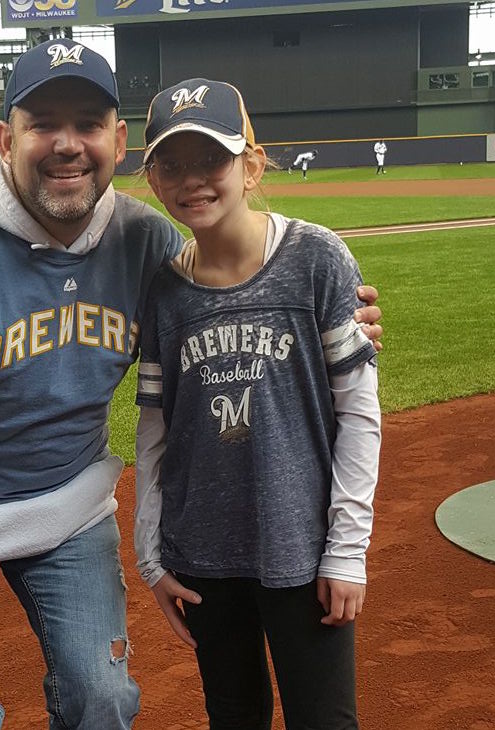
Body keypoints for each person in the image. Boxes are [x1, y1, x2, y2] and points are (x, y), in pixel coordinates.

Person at [0, 42, 384, 730]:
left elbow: (224, 280)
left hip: (68, 514)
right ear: (5, 139)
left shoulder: (147, 248)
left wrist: (343, 318)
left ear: (118, 142)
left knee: (101, 702)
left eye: (88, 123)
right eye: (43, 124)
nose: (67, 144)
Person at [135, 78, 381, 729]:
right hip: (200, 553)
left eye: (210, 159)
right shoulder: (163, 292)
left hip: (299, 546)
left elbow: (357, 412)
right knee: (233, 716)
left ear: (250, 164)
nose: (192, 179)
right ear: (152, 179)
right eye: (171, 163)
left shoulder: (316, 260)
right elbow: (155, 429)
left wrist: (346, 550)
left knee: (323, 719)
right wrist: (149, 551)